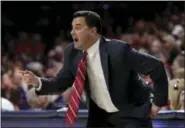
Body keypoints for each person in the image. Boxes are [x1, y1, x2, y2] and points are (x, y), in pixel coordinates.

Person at [19, 10, 168, 128]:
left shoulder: (118, 50)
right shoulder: (72, 52)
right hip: (101, 118)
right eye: (72, 28)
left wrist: (157, 103)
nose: (72, 32)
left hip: (131, 115)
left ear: (93, 31)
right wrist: (37, 81)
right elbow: (60, 83)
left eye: (78, 28)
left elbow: (157, 67)